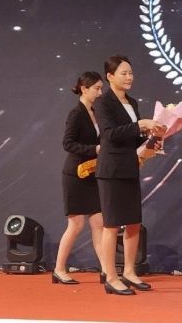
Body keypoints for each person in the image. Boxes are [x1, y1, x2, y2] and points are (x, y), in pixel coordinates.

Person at [94, 55, 165, 295]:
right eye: (123, 73)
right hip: (111, 170)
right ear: (110, 76)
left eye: (131, 73)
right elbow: (110, 134)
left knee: (134, 222)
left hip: (130, 168)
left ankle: (129, 271)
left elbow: (132, 137)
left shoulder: (131, 102)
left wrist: (151, 140)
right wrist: (140, 125)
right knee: (112, 224)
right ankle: (111, 277)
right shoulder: (102, 102)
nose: (129, 77)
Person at [53, 71, 106, 285]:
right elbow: (68, 143)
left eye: (101, 88)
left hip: (92, 174)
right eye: (97, 88)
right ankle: (59, 269)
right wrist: (95, 149)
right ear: (84, 89)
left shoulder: (96, 112)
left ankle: (106, 270)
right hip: (75, 174)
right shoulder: (76, 114)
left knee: (99, 223)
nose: (100, 93)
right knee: (76, 224)